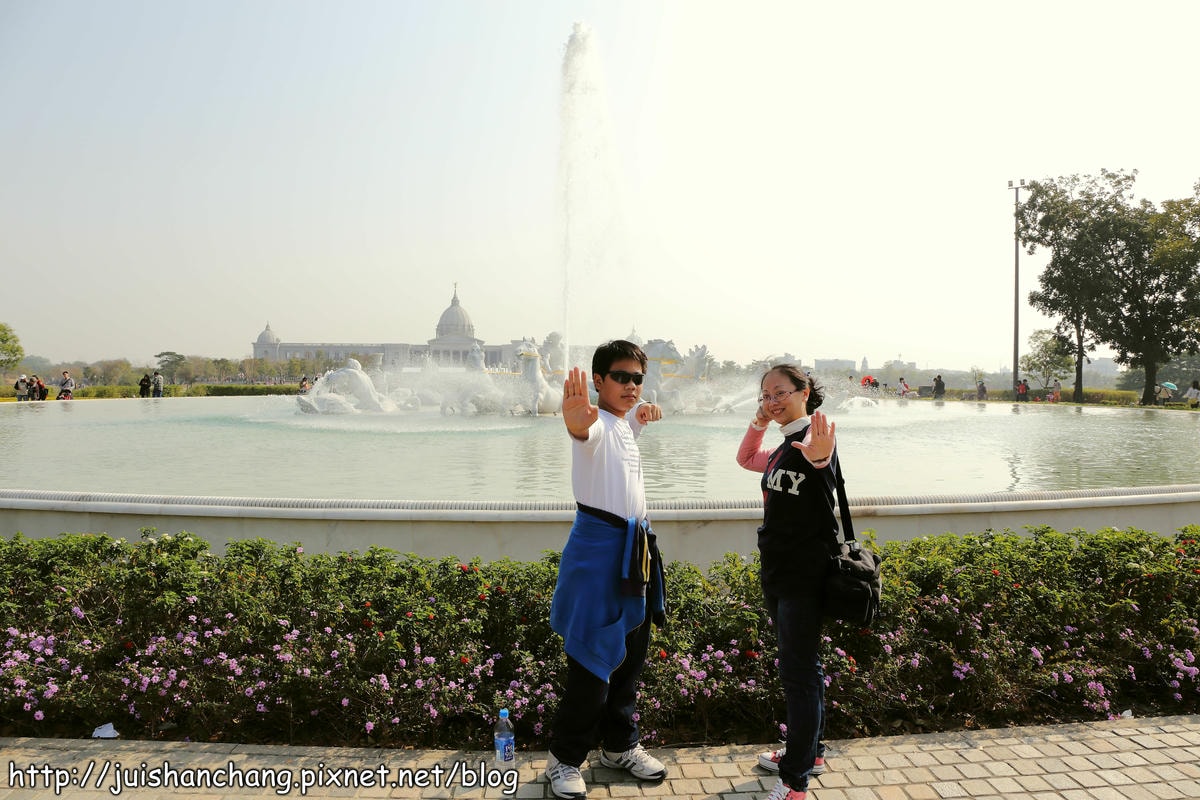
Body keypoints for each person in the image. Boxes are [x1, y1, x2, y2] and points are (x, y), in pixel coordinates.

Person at [544, 339, 668, 800]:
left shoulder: (622, 424)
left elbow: (624, 430)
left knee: (631, 654)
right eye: (621, 377)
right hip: (598, 553)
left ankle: (619, 747)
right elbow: (588, 432)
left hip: (634, 553)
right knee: (591, 659)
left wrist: (641, 418)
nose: (631, 386)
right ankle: (563, 758)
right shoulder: (594, 425)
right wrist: (576, 422)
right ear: (598, 381)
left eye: (638, 379)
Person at [736, 364, 839, 800]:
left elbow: (821, 460)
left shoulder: (816, 441)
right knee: (803, 669)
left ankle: (795, 780)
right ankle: (811, 752)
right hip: (778, 572)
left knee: (798, 675)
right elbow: (745, 459)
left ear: (804, 392)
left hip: (803, 575)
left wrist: (821, 454)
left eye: (780, 392)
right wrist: (759, 421)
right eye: (766, 395)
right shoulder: (781, 448)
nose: (772, 401)